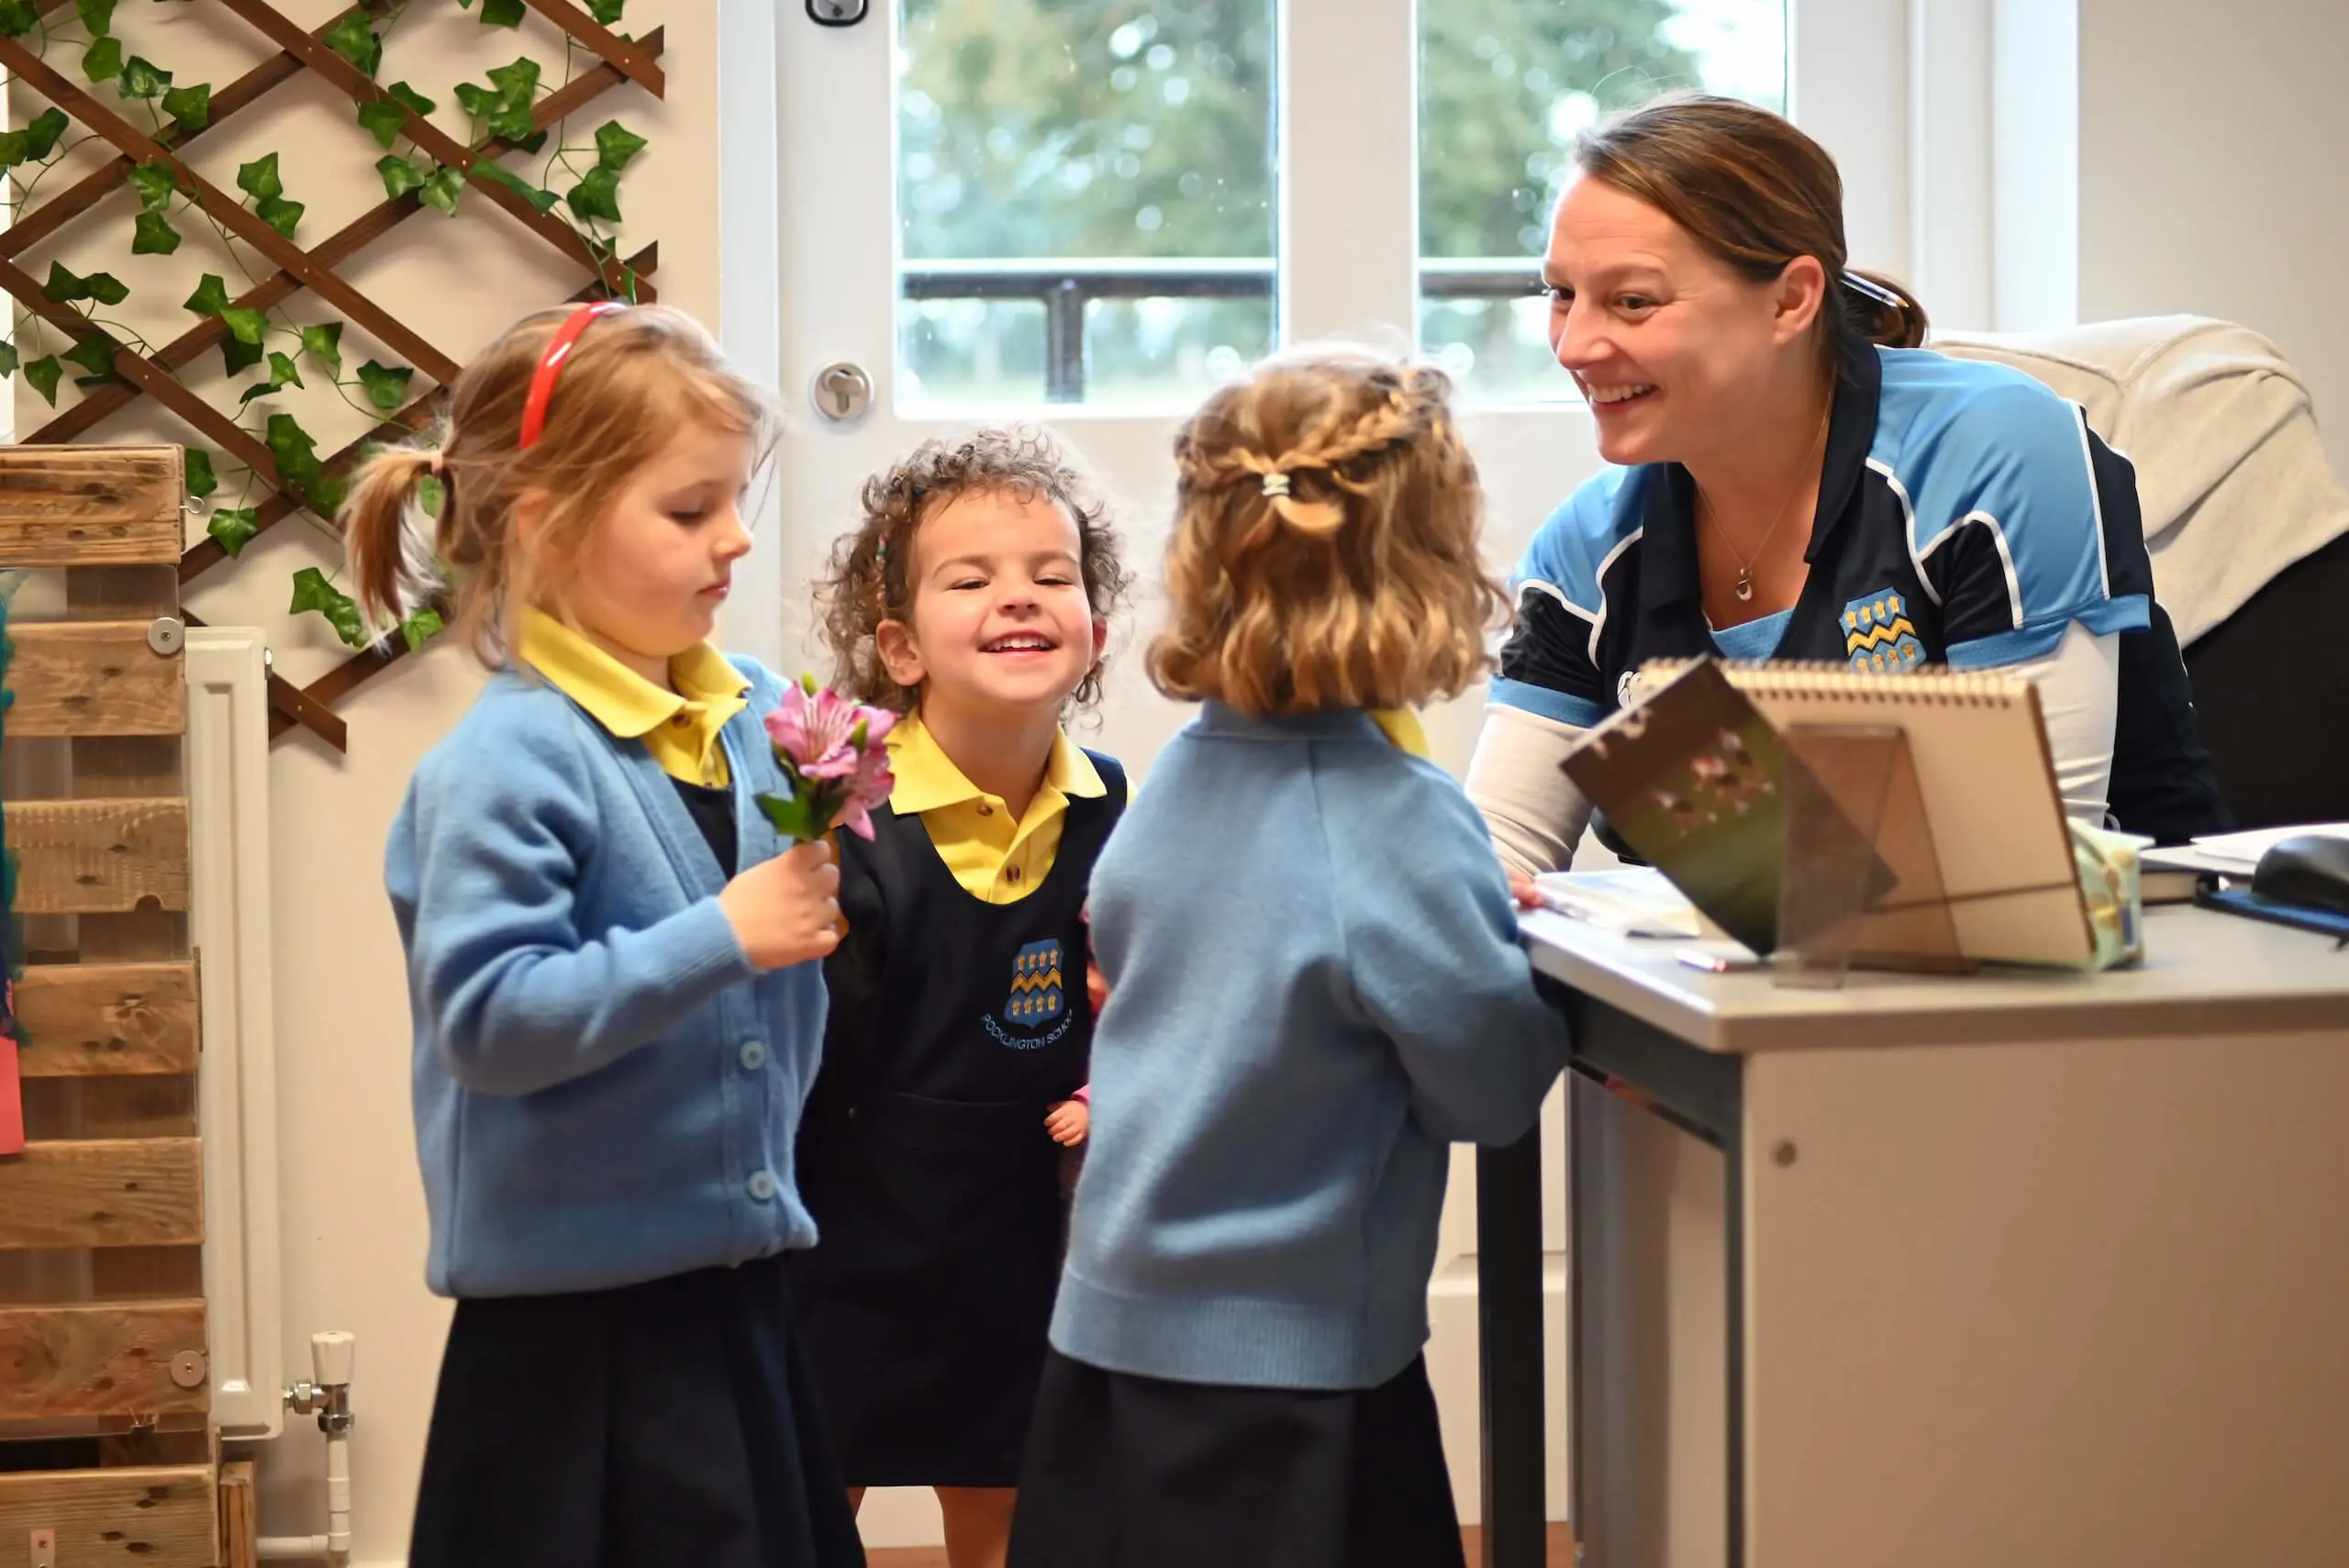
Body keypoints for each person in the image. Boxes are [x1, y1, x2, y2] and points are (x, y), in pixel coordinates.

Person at [1006, 350, 1573, 1568]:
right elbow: (1489, 1083)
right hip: (1292, 1380)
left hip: (1107, 1344)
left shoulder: (1179, 782)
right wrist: (1504, 945)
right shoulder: (1399, 819)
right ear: (1430, 571)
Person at [345, 302, 864, 1568]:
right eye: (690, 513)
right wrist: (724, 936)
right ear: (546, 526)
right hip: (576, 1348)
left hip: (736, 1299)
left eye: (735, 500)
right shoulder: (508, 766)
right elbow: (492, 1020)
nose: (736, 538)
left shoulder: (760, 723)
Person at [1465, 94, 2231, 883]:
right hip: (1749, 987)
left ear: (1791, 299)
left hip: (2125, 984)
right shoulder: (1582, 555)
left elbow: (2023, 877)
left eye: (1632, 301)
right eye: (1560, 294)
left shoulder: (1997, 456)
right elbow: (1495, 867)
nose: (1576, 344)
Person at [788, 429, 1130, 1568]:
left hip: (1026, 1232)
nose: (1017, 600)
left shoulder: (1113, 807)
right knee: (803, 1496)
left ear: (1095, 632)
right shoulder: (846, 813)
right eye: (970, 579)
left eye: (1052, 575)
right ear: (899, 645)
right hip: (848, 1226)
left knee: (1005, 1502)